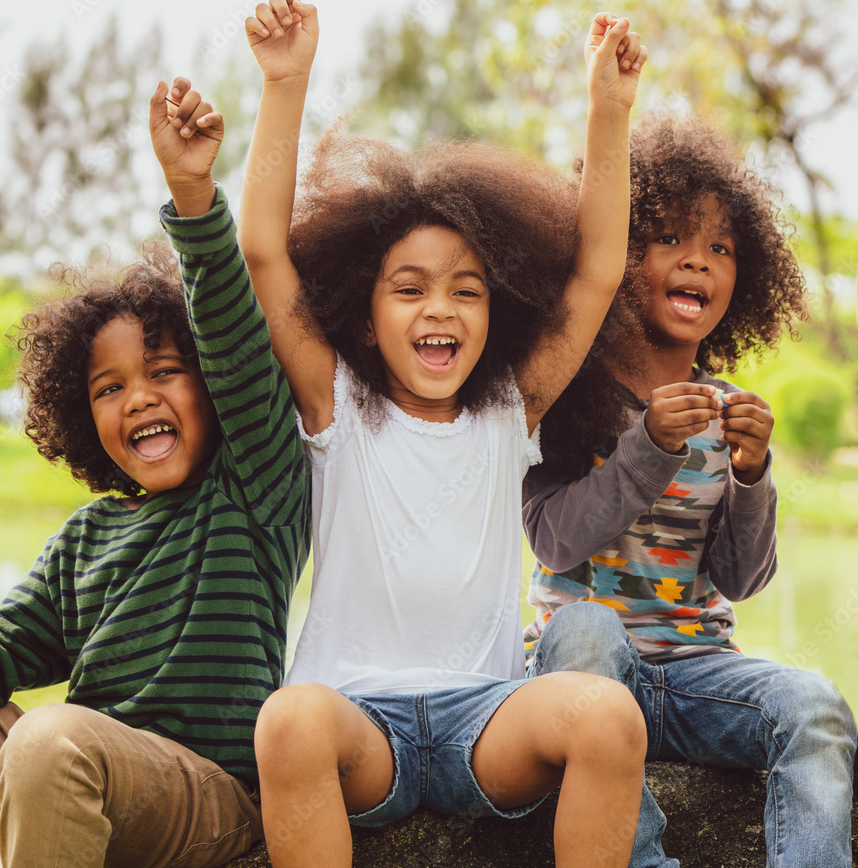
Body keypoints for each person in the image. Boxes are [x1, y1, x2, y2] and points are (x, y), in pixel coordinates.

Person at [204, 2, 649, 865]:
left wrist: (609, 110)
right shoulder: (337, 405)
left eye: (466, 291)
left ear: (496, 315)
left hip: (485, 722)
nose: (439, 307)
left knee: (607, 716)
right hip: (356, 725)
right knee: (287, 718)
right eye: (409, 288)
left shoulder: (508, 411)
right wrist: (285, 80)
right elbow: (263, 252)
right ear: (366, 319)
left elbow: (598, 269)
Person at [0, 80, 310, 868]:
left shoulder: (255, 492)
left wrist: (193, 195)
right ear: (83, 415)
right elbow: (2, 648)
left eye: (166, 372)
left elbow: (239, 340)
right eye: (109, 389)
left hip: (208, 805)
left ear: (214, 388)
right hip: (70, 778)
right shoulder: (89, 536)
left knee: (52, 738)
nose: (139, 397)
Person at [522, 114, 857, 868]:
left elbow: (742, 577)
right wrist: (648, 449)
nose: (697, 262)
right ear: (616, 253)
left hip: (697, 670)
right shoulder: (568, 396)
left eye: (720, 248)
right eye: (668, 238)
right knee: (586, 629)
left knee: (816, 706)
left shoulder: (725, 406)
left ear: (746, 280)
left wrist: (750, 475)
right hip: (585, 675)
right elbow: (552, 538)